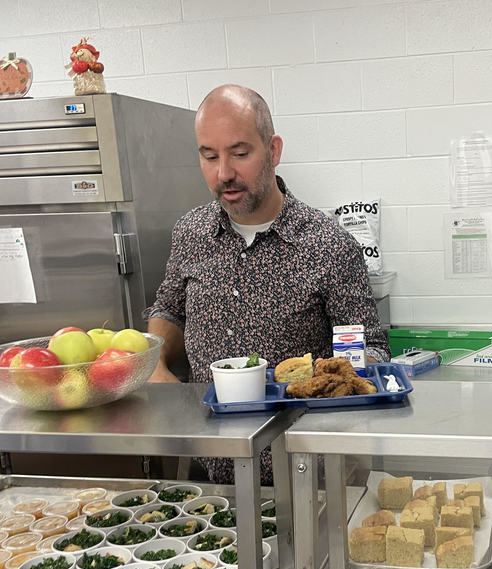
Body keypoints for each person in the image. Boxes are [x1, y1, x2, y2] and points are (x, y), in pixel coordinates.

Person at [144, 84, 389, 482]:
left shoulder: (329, 245)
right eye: (209, 156)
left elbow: (371, 350)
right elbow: (169, 309)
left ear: (273, 150)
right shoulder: (190, 233)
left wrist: (341, 392)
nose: (224, 173)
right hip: (209, 465)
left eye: (240, 154)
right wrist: (155, 364)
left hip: (306, 474)